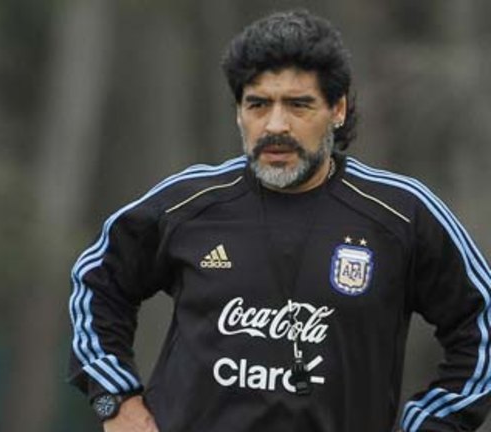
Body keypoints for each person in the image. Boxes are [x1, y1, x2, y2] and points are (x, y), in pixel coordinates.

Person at [66, 9, 491, 432]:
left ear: (337, 109)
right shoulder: (188, 204)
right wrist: (114, 400)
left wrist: (432, 424)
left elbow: (480, 322)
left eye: (298, 105)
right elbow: (97, 282)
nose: (275, 125)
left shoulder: (401, 214)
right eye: (258, 104)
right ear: (239, 112)